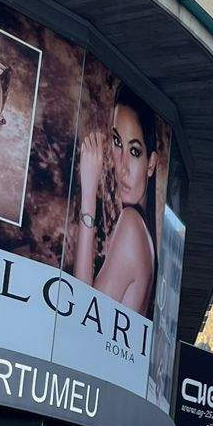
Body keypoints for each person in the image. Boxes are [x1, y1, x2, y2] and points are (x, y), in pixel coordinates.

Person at [71, 87, 161, 318]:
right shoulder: (144, 233)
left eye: (134, 151)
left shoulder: (131, 225)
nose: (122, 167)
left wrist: (89, 192)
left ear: (151, 164)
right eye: (117, 142)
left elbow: (83, 313)